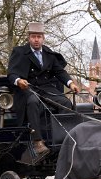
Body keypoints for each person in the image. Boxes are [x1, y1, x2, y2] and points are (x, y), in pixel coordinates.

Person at [7, 22, 80, 160]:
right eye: (33, 36)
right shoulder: (19, 52)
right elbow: (11, 74)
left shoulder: (48, 53)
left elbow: (59, 71)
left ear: (43, 38)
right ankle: (38, 142)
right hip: (27, 88)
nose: (36, 39)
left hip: (46, 89)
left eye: (39, 37)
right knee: (33, 102)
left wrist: (70, 83)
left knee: (65, 102)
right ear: (29, 38)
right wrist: (19, 81)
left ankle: (65, 139)